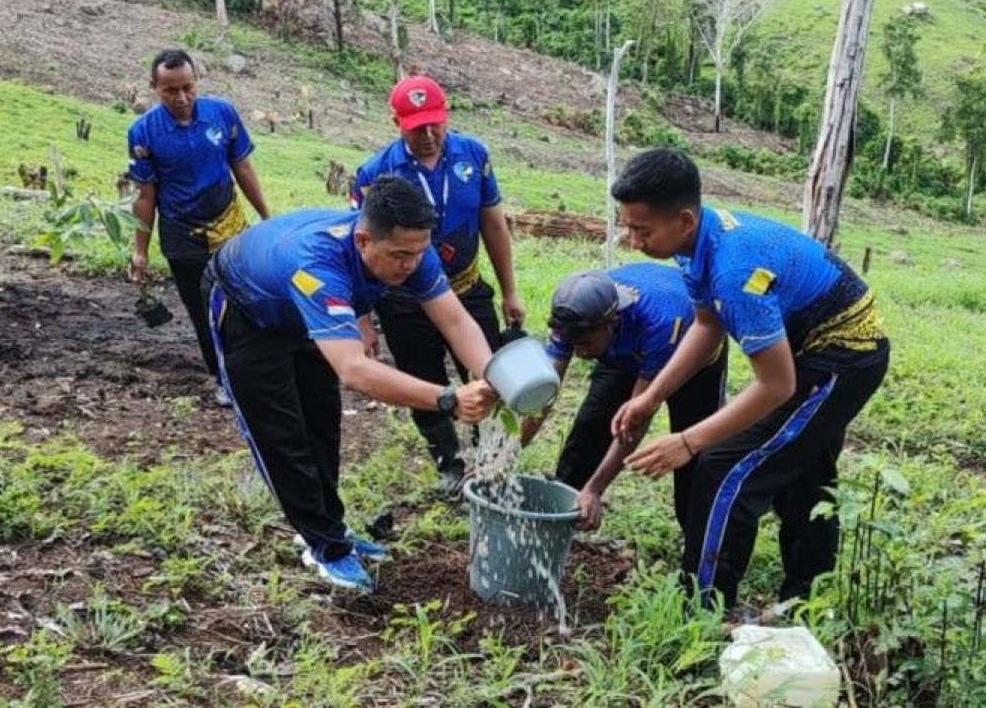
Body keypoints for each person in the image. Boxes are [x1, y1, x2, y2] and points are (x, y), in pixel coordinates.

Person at [610, 148, 890, 608]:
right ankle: (807, 601)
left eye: (642, 230)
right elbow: (706, 326)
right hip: (811, 349)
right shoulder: (694, 244)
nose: (632, 240)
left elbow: (777, 385)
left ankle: (702, 606)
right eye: (627, 226)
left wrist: (688, 442)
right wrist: (652, 397)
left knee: (725, 468)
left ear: (683, 220)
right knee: (802, 468)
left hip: (844, 355)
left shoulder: (734, 271)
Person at [204, 177, 498, 592]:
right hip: (248, 309)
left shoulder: (411, 249)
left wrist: (490, 376)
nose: (410, 265)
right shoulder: (317, 264)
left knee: (322, 421)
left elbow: (455, 319)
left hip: (306, 315)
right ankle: (323, 546)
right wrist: (447, 399)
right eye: (399, 255)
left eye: (418, 253)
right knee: (281, 432)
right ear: (363, 241)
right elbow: (354, 370)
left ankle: (330, 529)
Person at [351, 75, 523, 493]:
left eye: (435, 124)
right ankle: (447, 456)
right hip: (403, 298)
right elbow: (361, 248)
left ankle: (492, 449)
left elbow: (493, 226)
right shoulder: (375, 174)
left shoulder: (473, 155)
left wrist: (510, 290)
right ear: (396, 122)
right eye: (416, 127)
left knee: (489, 368)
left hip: (464, 287)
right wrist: (362, 317)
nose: (428, 135)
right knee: (421, 376)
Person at [520, 264, 726, 541]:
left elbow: (635, 422)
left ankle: (700, 545)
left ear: (612, 322)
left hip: (690, 359)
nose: (578, 354)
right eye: (572, 345)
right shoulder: (572, 317)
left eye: (583, 344)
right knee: (590, 425)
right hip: (622, 353)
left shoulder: (661, 321)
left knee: (694, 457)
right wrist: (510, 449)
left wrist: (596, 488)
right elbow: (543, 394)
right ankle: (559, 516)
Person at [126, 49, 271, 407]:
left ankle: (258, 371)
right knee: (204, 310)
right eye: (170, 91)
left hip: (229, 224)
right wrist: (140, 250)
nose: (181, 98)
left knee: (246, 299)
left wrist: (267, 217)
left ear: (197, 82)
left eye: (187, 88)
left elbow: (243, 168)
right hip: (182, 235)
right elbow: (146, 196)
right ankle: (223, 379)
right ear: (154, 88)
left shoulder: (222, 113)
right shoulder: (143, 132)